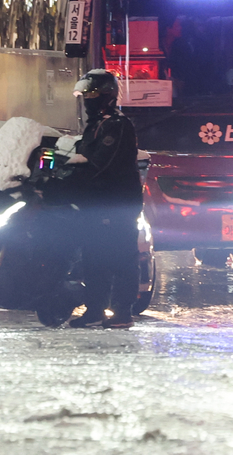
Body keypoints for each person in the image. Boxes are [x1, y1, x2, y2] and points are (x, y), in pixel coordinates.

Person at [65, 69, 143, 330]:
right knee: (93, 259)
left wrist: (73, 170)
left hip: (117, 205)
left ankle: (122, 311)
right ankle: (95, 309)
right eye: (85, 94)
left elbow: (99, 162)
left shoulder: (116, 125)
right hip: (95, 206)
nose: (87, 100)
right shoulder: (96, 124)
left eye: (92, 94)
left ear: (106, 96)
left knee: (120, 259)